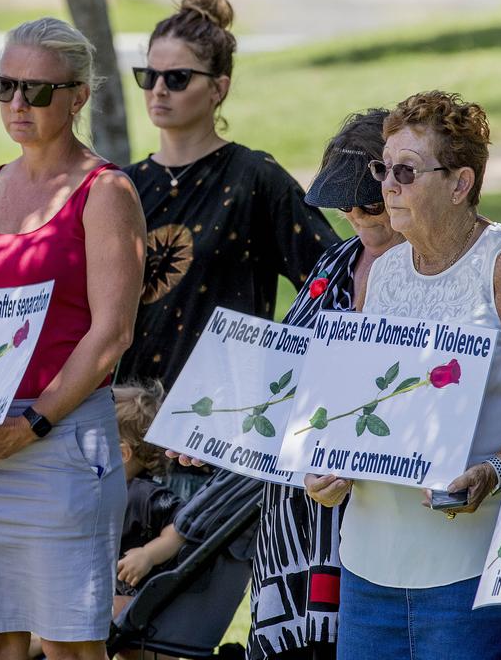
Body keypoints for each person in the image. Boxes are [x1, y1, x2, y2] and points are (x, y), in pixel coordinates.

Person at [0, 17, 145, 660]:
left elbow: (112, 334)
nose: (17, 104)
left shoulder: (106, 192)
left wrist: (31, 423)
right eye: (5, 85)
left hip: (62, 447)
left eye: (37, 90)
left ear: (78, 96)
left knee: (69, 646)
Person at [321, 91, 501, 659]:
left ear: (459, 184)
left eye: (405, 170)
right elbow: (364, 403)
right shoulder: (385, 269)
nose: (386, 186)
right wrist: (328, 462)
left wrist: (494, 471)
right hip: (367, 566)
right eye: (384, 168)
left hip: (468, 571)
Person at [169, 110, 406, 659]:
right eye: (342, 203)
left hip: (372, 522)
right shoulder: (335, 261)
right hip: (295, 527)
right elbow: (285, 372)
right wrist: (217, 431)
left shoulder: (429, 269)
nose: (355, 215)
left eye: (368, 202)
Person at [117, 0, 337, 500]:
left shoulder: (254, 178)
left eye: (177, 78)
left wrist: (273, 387)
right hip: (123, 437)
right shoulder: (120, 186)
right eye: (149, 76)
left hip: (216, 438)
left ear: (219, 88)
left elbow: (334, 283)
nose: (158, 91)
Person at [111, 381, 186, 614]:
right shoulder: (102, 491)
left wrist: (148, 555)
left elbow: (180, 526)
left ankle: (38, 643)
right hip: (110, 592)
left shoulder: (144, 494)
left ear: (123, 453)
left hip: (138, 601)